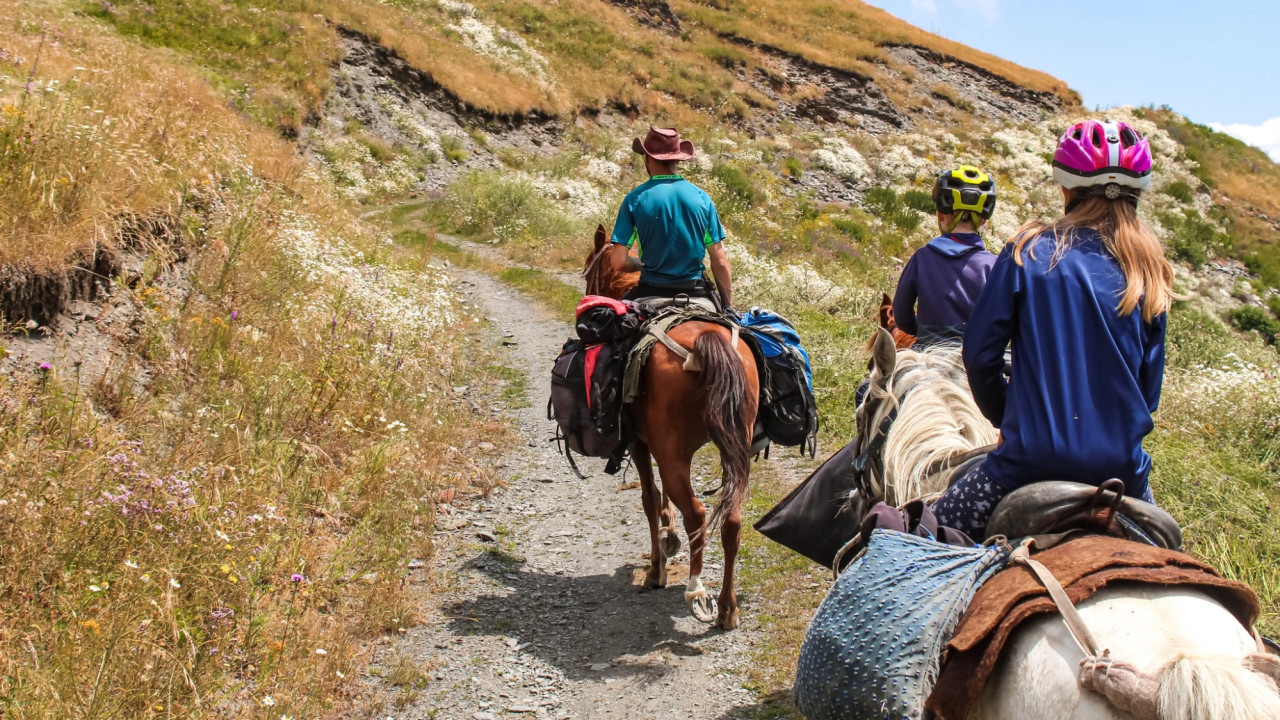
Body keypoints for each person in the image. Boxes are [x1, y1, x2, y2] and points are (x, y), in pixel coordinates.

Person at [931, 119, 1174, 538]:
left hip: (1026, 463)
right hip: (1122, 474)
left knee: (920, 543)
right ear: (1138, 194)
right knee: (1172, 557)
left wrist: (1006, 415)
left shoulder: (1029, 250)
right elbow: (1148, 394)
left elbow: (980, 353)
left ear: (1066, 189)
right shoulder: (1151, 272)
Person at [609, 126, 733, 314]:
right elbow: (720, 261)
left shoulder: (635, 200)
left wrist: (639, 264)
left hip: (651, 292)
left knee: (610, 334)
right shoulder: (702, 198)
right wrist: (728, 307)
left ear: (647, 158)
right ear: (677, 159)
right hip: (696, 291)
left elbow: (617, 262)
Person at [892, 165, 998, 347]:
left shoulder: (922, 258)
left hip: (928, 352)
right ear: (983, 220)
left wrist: (923, 333)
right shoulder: (993, 265)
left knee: (876, 377)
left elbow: (901, 314)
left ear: (940, 215)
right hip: (973, 359)